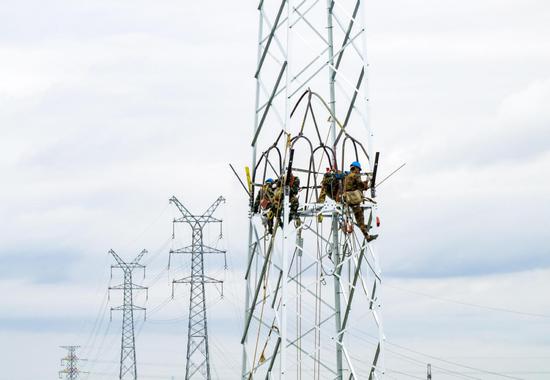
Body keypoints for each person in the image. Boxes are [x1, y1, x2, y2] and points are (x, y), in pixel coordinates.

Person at [343, 161, 378, 242]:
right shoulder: (355, 175)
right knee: (360, 219)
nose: (359, 171)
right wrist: (367, 181)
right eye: (359, 169)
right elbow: (361, 186)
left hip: (348, 199)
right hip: (353, 200)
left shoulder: (347, 176)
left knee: (360, 215)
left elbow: (354, 186)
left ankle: (363, 226)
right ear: (356, 168)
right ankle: (367, 236)